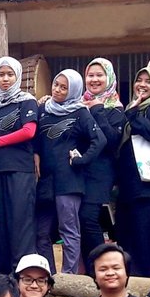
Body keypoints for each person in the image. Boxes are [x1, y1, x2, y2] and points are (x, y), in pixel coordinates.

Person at [36, 69, 106, 275]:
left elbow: (99, 140)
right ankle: (47, 276)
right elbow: (37, 140)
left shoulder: (80, 112)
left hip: (69, 181)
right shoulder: (44, 110)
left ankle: (68, 277)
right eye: (56, 84)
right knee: (40, 233)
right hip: (45, 180)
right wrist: (36, 155)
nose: (57, 90)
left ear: (73, 90)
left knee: (69, 232)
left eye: (64, 87)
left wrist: (81, 160)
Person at [111, 59, 150, 278]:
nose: (142, 85)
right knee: (127, 239)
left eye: (148, 81)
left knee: (146, 242)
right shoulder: (133, 107)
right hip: (129, 188)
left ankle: (146, 285)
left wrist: (133, 116)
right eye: (139, 80)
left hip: (149, 188)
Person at [0, 57, 39, 275]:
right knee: (2, 225)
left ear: (17, 76)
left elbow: (29, 131)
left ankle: (22, 275)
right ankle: (0, 276)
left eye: (10, 74)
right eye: (1, 74)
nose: (5, 79)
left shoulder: (26, 101)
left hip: (20, 169)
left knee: (20, 224)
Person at [81, 57, 121, 259]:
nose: (94, 79)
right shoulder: (77, 104)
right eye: (90, 75)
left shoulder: (115, 107)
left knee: (88, 218)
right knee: (79, 220)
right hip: (78, 171)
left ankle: (102, 264)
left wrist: (97, 110)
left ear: (109, 77)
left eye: (99, 75)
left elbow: (112, 140)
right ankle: (88, 268)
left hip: (101, 172)